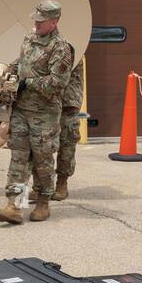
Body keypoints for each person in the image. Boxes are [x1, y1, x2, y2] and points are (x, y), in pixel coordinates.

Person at [0, 0, 74, 224]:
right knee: (18, 157)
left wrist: (27, 83)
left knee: (42, 159)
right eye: (35, 19)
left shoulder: (61, 47)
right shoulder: (30, 38)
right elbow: (21, 62)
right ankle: (14, 206)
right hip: (20, 110)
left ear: (54, 21)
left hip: (44, 115)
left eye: (41, 21)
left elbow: (58, 82)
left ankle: (43, 203)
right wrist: (5, 70)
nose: (36, 23)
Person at [54, 56, 84, 200]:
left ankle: (62, 183)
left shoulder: (75, 44)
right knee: (39, 144)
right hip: (45, 100)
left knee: (67, 142)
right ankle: (40, 185)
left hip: (68, 101)